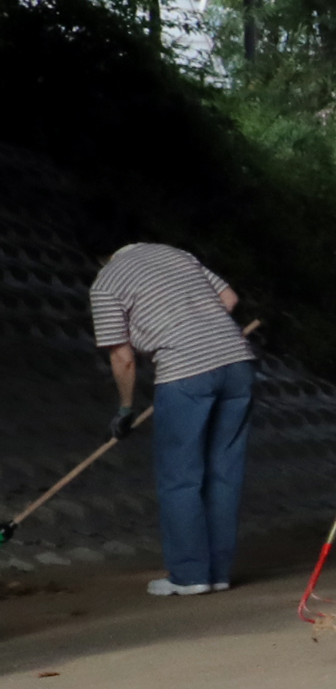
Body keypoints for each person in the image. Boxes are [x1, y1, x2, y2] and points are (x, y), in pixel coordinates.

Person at [87, 241, 253, 596]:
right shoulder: (176, 254)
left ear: (102, 256)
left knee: (180, 477)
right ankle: (218, 573)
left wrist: (126, 408)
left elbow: (123, 357)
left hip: (184, 373)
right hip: (237, 363)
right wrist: (204, 331)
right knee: (224, 472)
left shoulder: (106, 282)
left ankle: (191, 575)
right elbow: (229, 299)